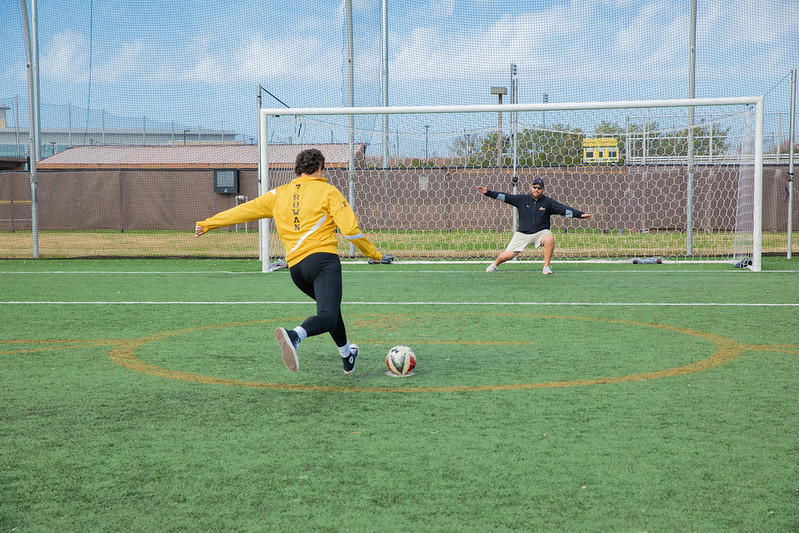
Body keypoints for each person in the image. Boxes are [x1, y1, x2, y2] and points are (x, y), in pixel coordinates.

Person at [196, 148, 393, 373]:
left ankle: (347, 355)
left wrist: (209, 223)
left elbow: (244, 211)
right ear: (320, 168)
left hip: (298, 271)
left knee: (331, 312)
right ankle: (295, 336)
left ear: (298, 170)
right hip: (322, 263)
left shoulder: (278, 194)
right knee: (328, 316)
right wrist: (374, 255)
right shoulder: (328, 191)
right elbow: (350, 230)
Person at [476, 178, 593, 274]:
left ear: (543, 189)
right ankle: (494, 265)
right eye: (535, 187)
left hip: (541, 232)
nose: (536, 189)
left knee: (549, 238)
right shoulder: (521, 199)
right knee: (508, 255)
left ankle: (546, 267)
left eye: (539, 188)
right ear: (531, 187)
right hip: (523, 233)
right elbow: (505, 197)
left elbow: (564, 210)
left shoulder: (548, 202)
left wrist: (581, 215)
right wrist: (487, 193)